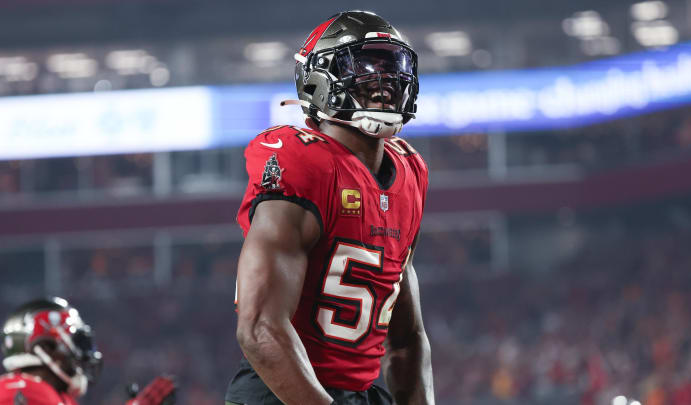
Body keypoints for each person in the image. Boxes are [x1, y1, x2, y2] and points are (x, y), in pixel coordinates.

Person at [226, 10, 434, 405]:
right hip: (280, 390)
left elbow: (407, 340)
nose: (385, 79)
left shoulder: (409, 172)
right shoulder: (302, 161)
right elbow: (259, 329)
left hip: (360, 392)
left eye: (393, 65)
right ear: (318, 79)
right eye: (365, 65)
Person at [0, 297, 175, 405]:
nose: (84, 354)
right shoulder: (19, 390)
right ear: (46, 348)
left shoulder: (56, 396)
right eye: (77, 343)